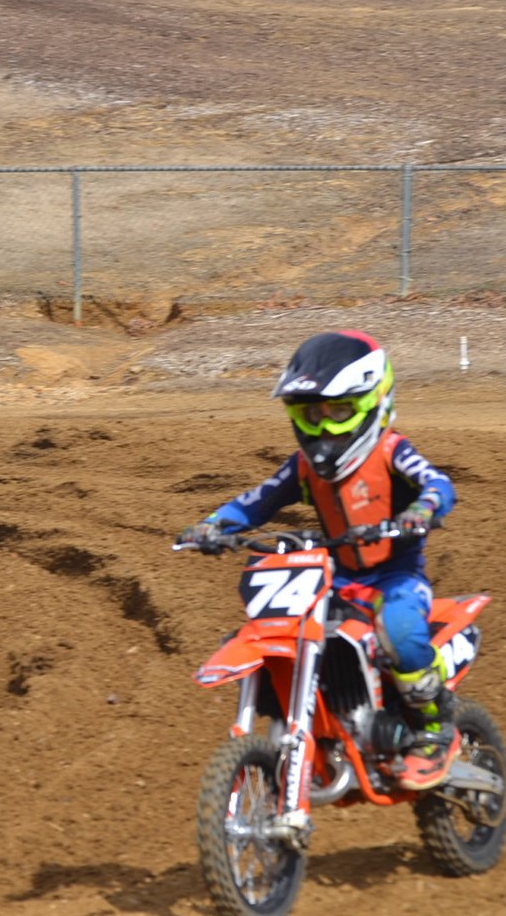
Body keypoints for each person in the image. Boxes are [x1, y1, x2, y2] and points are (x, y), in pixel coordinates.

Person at [177, 330, 460, 791]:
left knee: (401, 630)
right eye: (313, 415)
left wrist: (422, 510)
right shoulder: (303, 466)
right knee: (279, 627)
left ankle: (434, 726)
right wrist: (213, 525)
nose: (326, 428)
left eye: (340, 412)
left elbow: (437, 483)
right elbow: (257, 501)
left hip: (395, 577)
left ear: (373, 403)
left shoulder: (391, 450)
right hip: (333, 578)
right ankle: (324, 722)